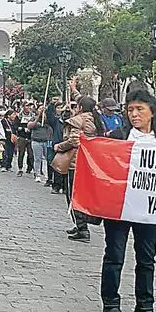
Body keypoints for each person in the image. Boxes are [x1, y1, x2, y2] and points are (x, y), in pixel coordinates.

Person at [100, 90, 156, 312]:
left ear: (152, 112)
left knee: (147, 258)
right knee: (115, 255)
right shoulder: (117, 136)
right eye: (130, 110)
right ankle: (111, 303)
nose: (134, 114)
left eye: (139, 109)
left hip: (150, 208)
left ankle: (144, 305)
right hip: (120, 207)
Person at [54, 97, 105, 242]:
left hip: (76, 161)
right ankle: (79, 224)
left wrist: (60, 146)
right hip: (90, 162)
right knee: (81, 194)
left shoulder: (78, 120)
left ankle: (82, 228)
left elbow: (73, 140)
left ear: (81, 107)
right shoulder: (96, 120)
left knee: (72, 195)